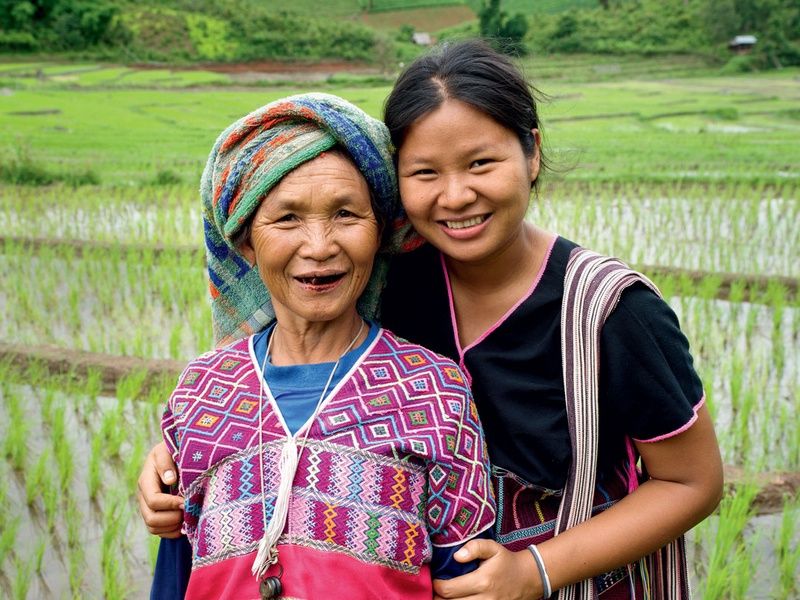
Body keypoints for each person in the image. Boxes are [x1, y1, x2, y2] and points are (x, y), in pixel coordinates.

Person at [140, 42, 724, 599]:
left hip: (578, 583)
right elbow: (270, 383)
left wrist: (534, 572)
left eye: (481, 163)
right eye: (424, 173)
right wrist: (175, 458)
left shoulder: (609, 311)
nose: (456, 195)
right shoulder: (387, 278)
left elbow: (691, 482)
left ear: (532, 152)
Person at [152, 92, 495, 600]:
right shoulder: (202, 393)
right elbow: (174, 577)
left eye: (345, 215)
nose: (318, 246)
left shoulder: (433, 392)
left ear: (380, 232)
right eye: (287, 219)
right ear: (245, 241)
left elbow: (470, 583)